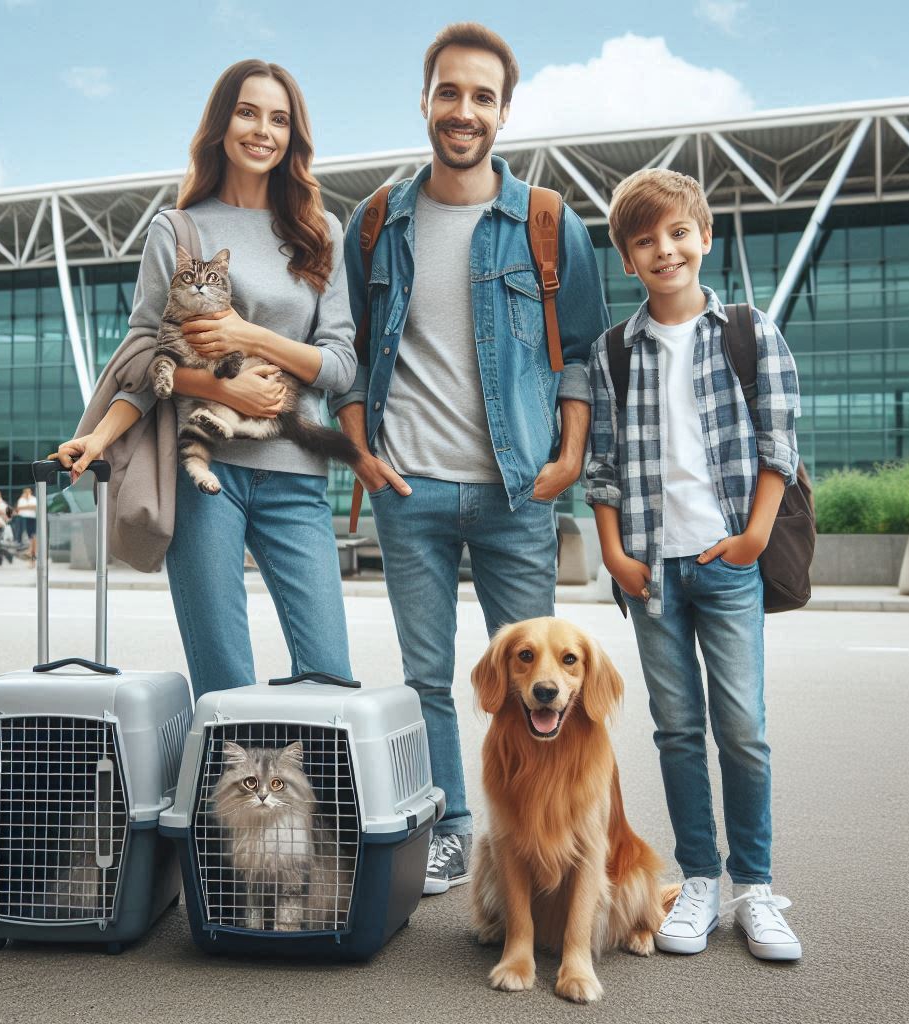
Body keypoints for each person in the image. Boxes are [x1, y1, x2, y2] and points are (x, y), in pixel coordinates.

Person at [330, 23, 608, 895]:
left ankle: (529, 834)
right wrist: (360, 450)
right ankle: (452, 826)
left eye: (481, 96)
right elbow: (348, 345)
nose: (463, 110)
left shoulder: (547, 223)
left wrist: (566, 458)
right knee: (425, 677)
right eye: (449, 92)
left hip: (517, 491)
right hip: (407, 486)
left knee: (538, 693)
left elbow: (583, 357)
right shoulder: (376, 222)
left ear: (504, 111)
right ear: (425, 101)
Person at [55, 60, 358, 700]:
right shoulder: (179, 229)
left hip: (295, 475)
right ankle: (228, 803)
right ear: (221, 124)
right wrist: (98, 438)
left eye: (280, 119)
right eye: (248, 113)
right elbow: (141, 360)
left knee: (330, 675)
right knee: (223, 683)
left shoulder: (321, 232)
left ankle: (313, 802)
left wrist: (251, 338)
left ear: (294, 137)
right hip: (204, 478)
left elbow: (338, 365)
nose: (262, 131)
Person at [585, 168, 802, 961]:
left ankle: (755, 889)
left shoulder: (748, 330)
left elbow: (780, 443)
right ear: (628, 258)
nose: (664, 249)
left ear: (704, 237)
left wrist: (750, 539)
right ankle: (699, 881)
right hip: (650, 574)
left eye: (678, 233)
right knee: (677, 730)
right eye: (645, 240)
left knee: (742, 730)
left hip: (727, 563)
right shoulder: (615, 350)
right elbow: (601, 466)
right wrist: (614, 553)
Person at [15, 487, 38, 566]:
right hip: (22, 519)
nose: (27, 492)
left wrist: (25, 507)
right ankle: (29, 553)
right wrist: (29, 506)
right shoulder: (21, 500)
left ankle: (32, 556)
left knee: (33, 538)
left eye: (28, 491)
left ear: (31, 491)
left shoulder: (34, 499)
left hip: (32, 519)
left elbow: (35, 507)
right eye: (26, 491)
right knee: (27, 538)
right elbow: (18, 509)